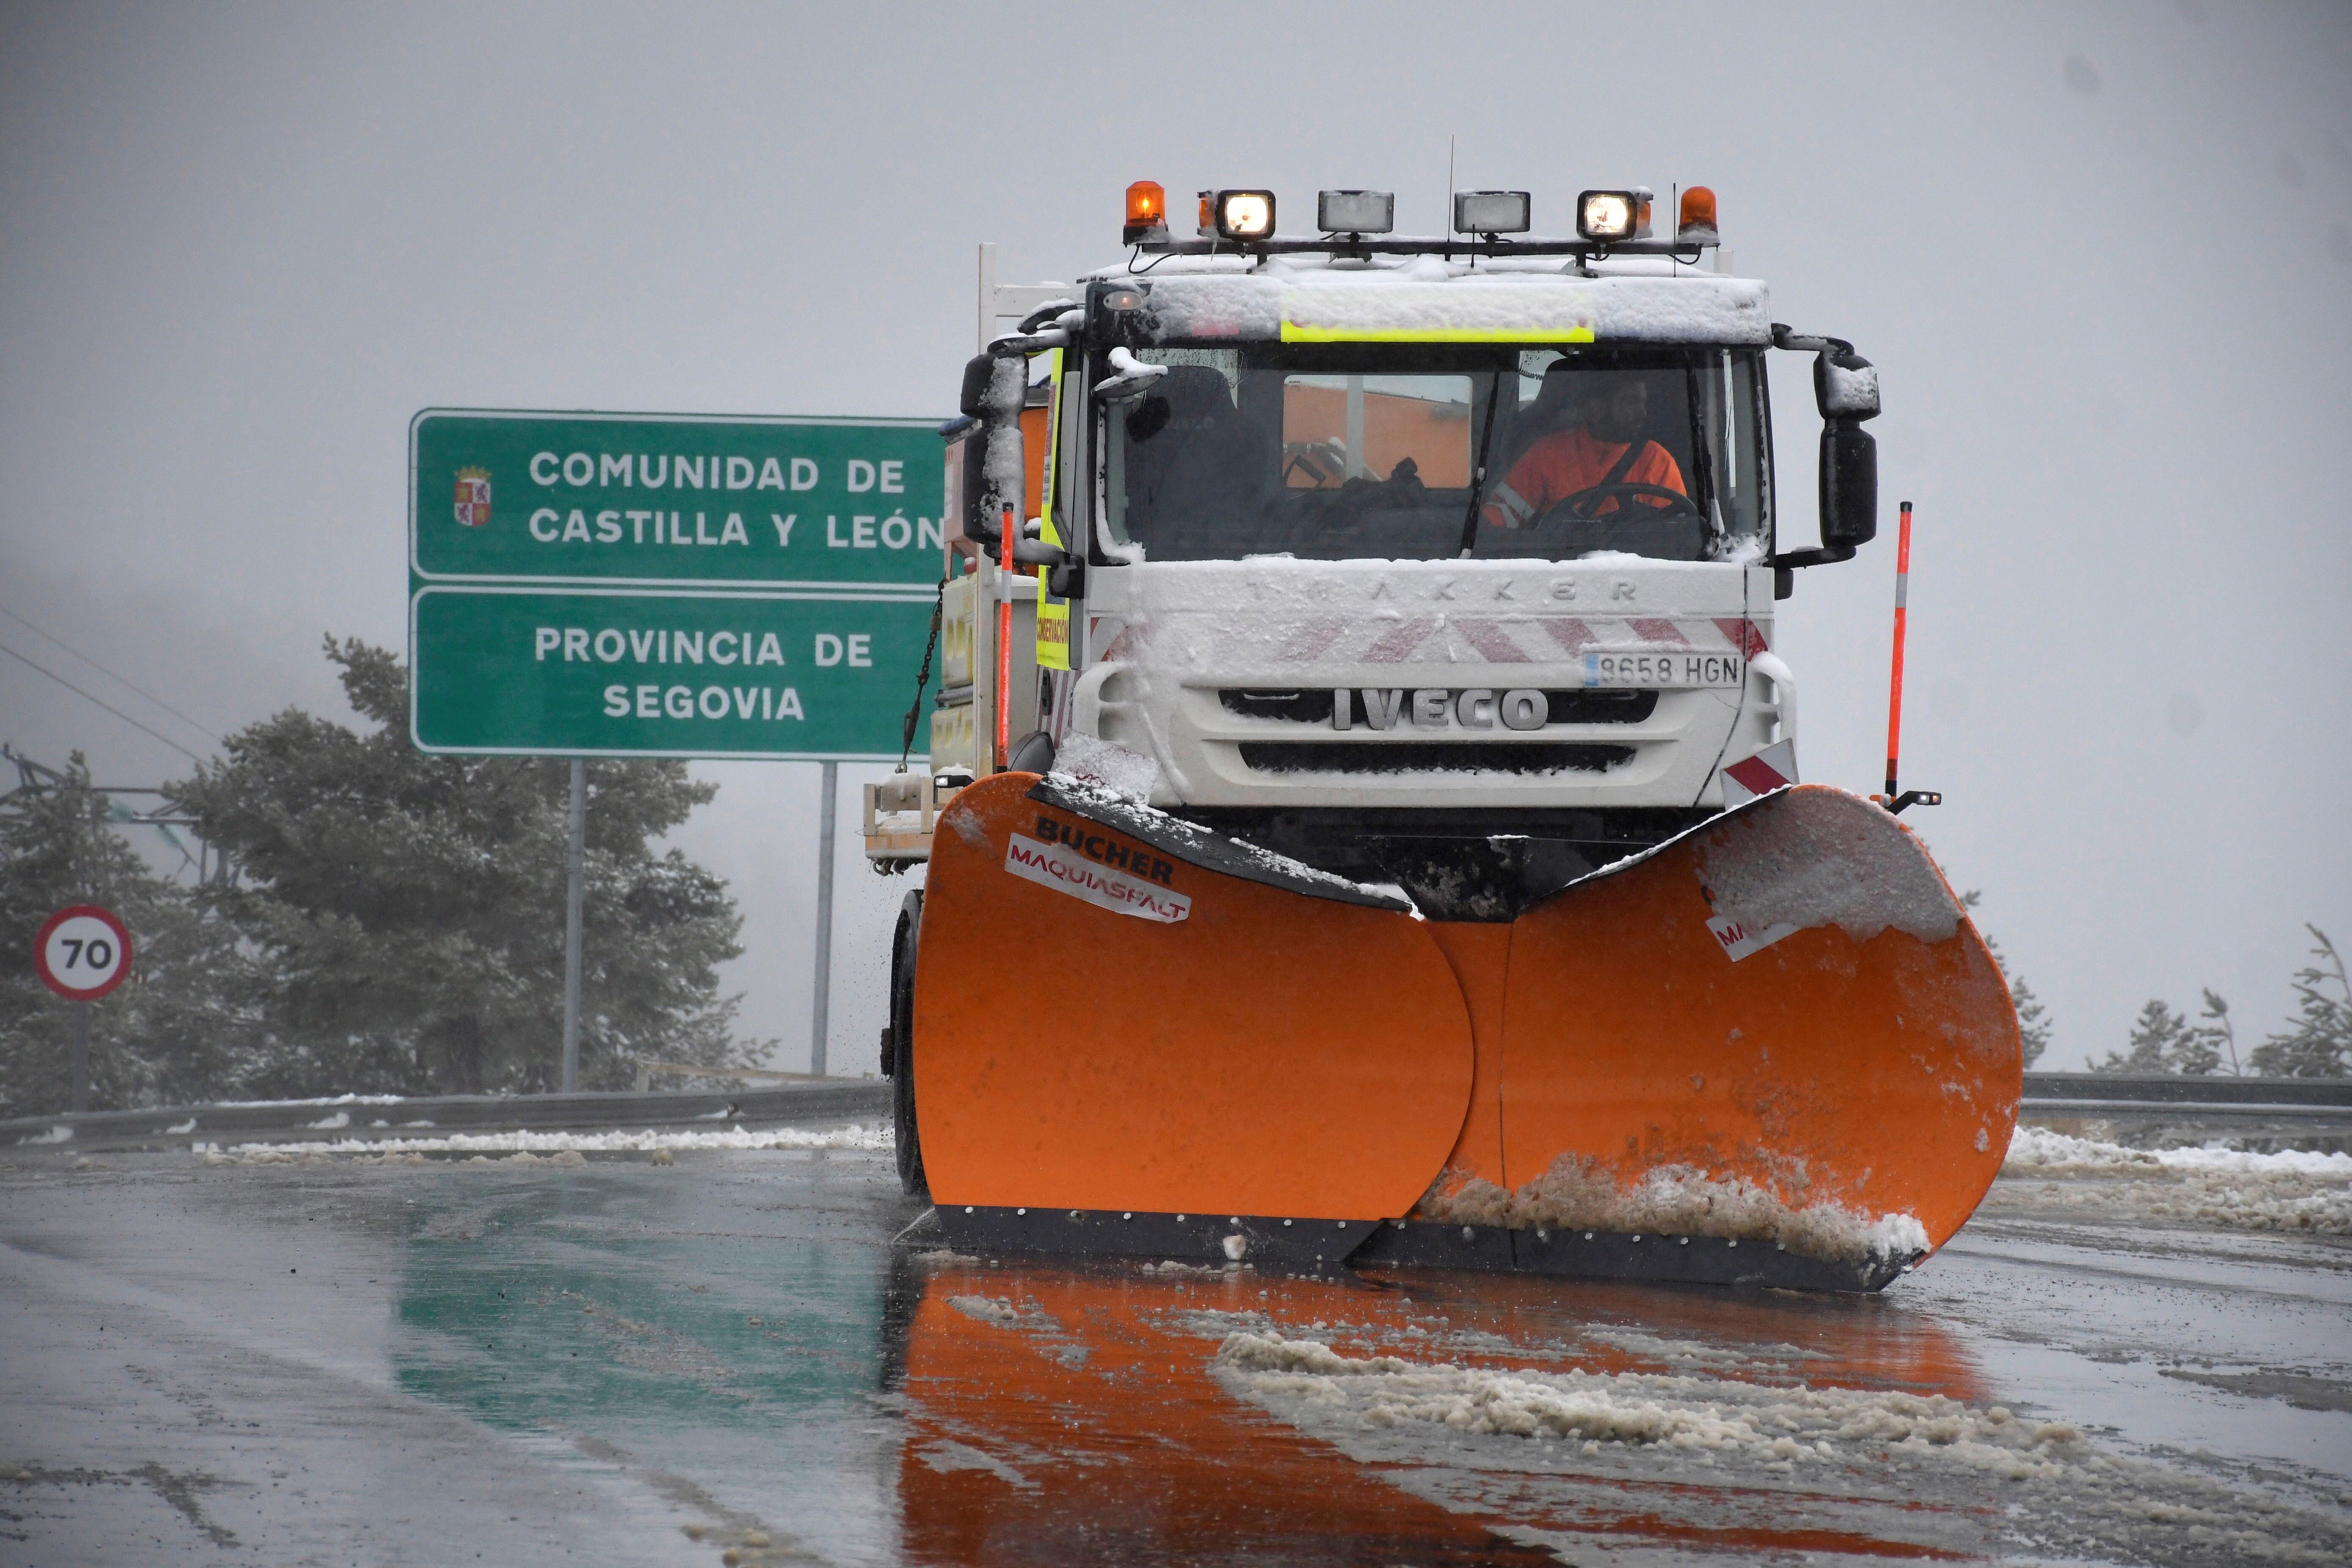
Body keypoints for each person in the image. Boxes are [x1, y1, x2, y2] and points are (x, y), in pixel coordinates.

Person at [1480, 364, 1686, 529]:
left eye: (1643, 403)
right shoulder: (1548, 453)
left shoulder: (1658, 461)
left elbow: (1676, 535)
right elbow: (1498, 518)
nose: (1643, 413)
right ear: (1596, 408)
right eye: (1630, 402)